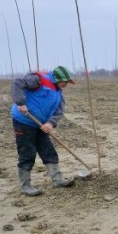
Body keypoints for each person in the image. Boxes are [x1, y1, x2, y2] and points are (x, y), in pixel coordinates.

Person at [10, 65, 77, 196]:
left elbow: (60, 111)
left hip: (40, 125)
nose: (66, 85)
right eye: (65, 82)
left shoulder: (58, 92)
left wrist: (50, 123)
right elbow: (17, 82)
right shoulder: (37, 79)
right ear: (58, 78)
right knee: (27, 152)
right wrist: (20, 103)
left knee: (48, 150)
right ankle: (25, 186)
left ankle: (58, 179)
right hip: (23, 121)